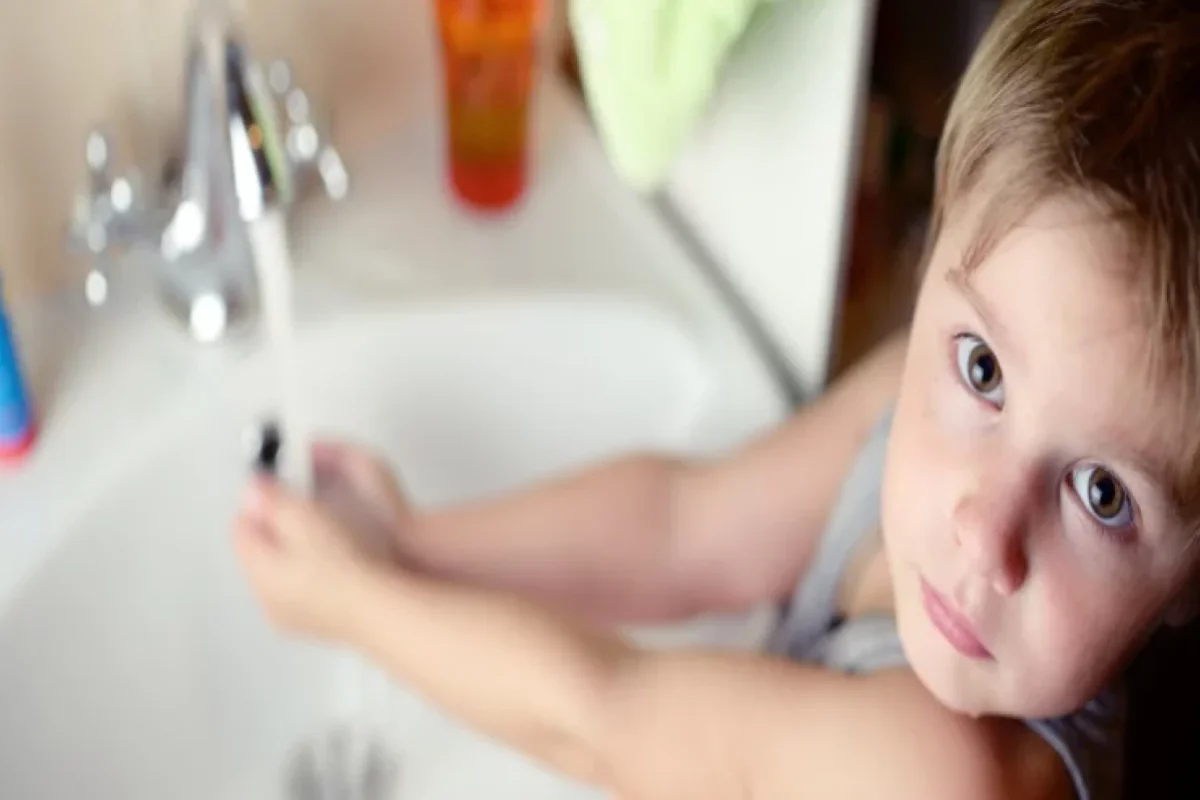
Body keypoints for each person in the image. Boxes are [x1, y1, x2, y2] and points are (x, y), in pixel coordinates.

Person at [231, 2, 1200, 797]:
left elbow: (602, 722)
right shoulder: (908, 399)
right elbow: (685, 524)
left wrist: (350, 600)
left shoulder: (941, 773)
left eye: (1104, 494)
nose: (985, 533)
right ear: (932, 256)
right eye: (984, 369)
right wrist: (414, 543)